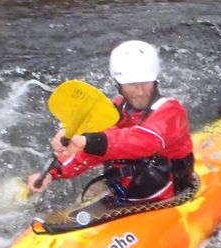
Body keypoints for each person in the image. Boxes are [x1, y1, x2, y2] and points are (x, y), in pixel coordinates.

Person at [27, 40, 195, 203]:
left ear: (155, 80)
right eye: (131, 84)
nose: (140, 91)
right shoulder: (116, 110)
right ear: (119, 84)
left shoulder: (171, 111)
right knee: (78, 205)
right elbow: (90, 153)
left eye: (146, 82)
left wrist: (87, 141)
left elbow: (144, 141)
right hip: (122, 190)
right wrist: (54, 172)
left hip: (167, 197)